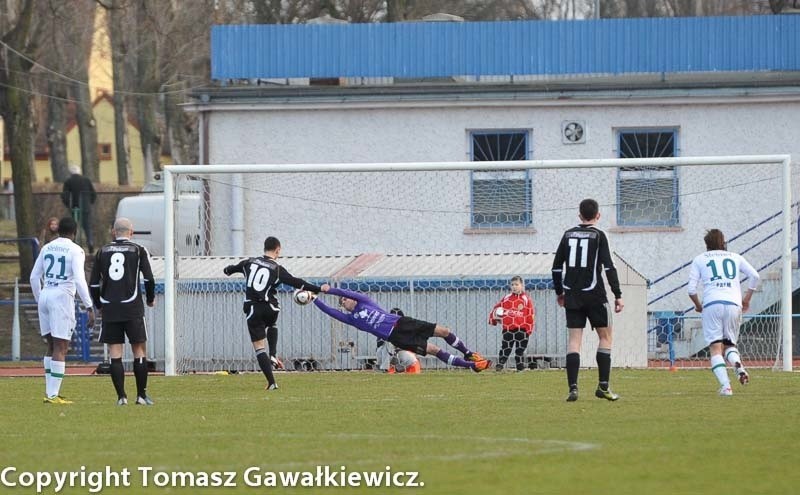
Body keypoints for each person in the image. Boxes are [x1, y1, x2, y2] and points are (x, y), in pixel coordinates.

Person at [223, 236, 324, 390]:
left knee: (259, 348)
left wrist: (228, 269)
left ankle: (271, 382)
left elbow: (230, 270)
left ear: (264, 248)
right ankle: (273, 354)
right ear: (277, 250)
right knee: (271, 323)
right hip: (271, 308)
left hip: (253, 309)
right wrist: (317, 289)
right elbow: (297, 282)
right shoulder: (277, 269)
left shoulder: (249, 263)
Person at [313, 286, 492, 372]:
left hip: (403, 323)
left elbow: (348, 293)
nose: (345, 300)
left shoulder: (365, 301)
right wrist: (314, 299)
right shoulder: (352, 319)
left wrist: (328, 291)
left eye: (345, 298)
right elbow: (331, 312)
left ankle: (468, 353)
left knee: (443, 331)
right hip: (397, 337)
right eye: (342, 302)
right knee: (434, 350)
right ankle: (473, 365)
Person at [552, 198, 624, 402]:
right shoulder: (599, 236)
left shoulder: (567, 235)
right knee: (605, 337)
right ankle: (603, 387)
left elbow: (556, 267)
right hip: (594, 295)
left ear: (579, 215)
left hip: (572, 295)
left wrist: (560, 292)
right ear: (598, 215)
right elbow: (609, 267)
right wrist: (618, 294)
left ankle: (573, 388)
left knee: (574, 341)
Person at [89, 218, 156, 406]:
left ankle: (121, 397)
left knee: (115, 352)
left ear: (113, 232)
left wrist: (98, 304)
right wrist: (150, 298)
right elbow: (149, 279)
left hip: (110, 307)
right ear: (131, 232)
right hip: (132, 306)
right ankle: (141, 396)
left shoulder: (102, 251)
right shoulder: (138, 250)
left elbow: (93, 283)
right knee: (139, 349)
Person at [29, 217, 95, 404]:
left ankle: (50, 392)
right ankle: (52, 395)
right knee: (61, 347)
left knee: (51, 345)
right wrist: (89, 305)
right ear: (74, 233)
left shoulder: (47, 247)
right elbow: (80, 280)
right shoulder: (76, 250)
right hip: (61, 297)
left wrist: (39, 298)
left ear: (59, 231)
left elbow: (34, 277)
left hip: (46, 294)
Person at [687, 229, 760, 396]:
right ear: (723, 242)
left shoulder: (700, 259)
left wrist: (698, 305)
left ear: (707, 245)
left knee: (715, 348)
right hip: (734, 304)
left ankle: (726, 386)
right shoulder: (735, 257)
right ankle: (738, 366)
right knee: (729, 344)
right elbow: (755, 276)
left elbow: (691, 289)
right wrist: (746, 299)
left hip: (712, 304)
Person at [488, 276, 535, 371]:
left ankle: (520, 366)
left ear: (522, 286)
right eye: (512, 285)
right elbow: (496, 308)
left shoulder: (526, 299)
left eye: (517, 284)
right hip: (508, 329)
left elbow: (530, 314)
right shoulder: (506, 298)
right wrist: (492, 320)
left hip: (522, 329)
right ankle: (500, 364)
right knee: (506, 347)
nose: (514, 287)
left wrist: (529, 329)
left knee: (520, 349)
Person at [61, 164, 97, 253]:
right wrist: (90, 203)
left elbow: (65, 195)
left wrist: (68, 205)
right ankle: (90, 242)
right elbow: (93, 194)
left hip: (74, 207)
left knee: (74, 226)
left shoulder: (68, 181)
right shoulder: (86, 180)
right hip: (85, 207)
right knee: (87, 226)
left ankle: (74, 243)